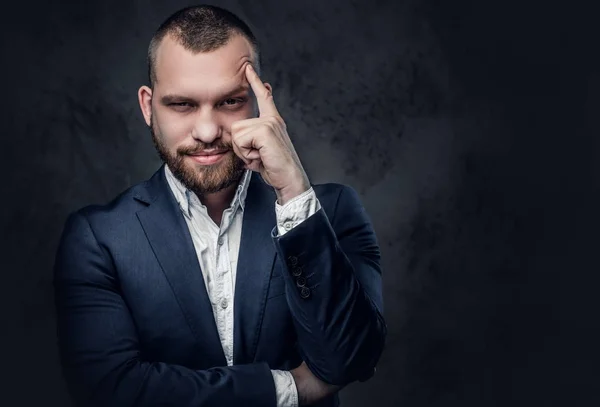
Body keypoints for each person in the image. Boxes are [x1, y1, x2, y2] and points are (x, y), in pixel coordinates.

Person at [53, 5, 386, 407]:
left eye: (229, 102)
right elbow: (110, 391)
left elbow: (351, 358)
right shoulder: (97, 238)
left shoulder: (329, 211)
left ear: (260, 103)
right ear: (147, 107)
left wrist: (294, 192)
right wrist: (289, 388)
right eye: (182, 105)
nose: (208, 131)